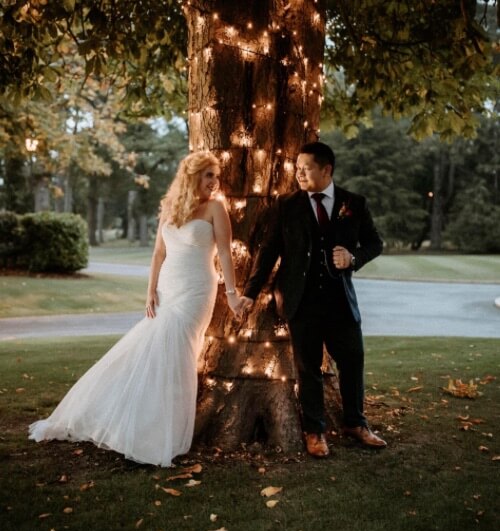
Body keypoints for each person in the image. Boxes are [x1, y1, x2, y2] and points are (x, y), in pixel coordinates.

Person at [29, 151, 241, 467]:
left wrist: (234, 293)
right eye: (209, 175)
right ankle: (133, 421)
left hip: (197, 290)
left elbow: (225, 253)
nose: (215, 182)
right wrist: (150, 291)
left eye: (216, 175)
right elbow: (158, 253)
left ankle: (160, 433)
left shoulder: (216, 208)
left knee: (179, 352)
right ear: (192, 176)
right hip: (168, 287)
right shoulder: (171, 207)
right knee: (152, 348)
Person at [240, 141, 386, 457]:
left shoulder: (353, 203)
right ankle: (315, 431)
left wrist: (353, 257)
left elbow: (375, 244)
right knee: (308, 369)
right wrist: (250, 294)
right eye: (298, 167)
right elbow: (268, 254)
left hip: (340, 301)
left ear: (326, 169)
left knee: (353, 359)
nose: (299, 173)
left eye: (306, 168)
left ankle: (356, 423)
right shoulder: (286, 205)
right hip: (300, 300)